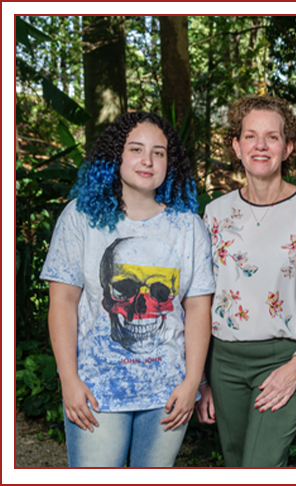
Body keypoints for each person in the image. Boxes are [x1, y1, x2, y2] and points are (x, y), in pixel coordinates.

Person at [40, 111, 215, 467]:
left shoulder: (189, 227)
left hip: (167, 391)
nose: (147, 160)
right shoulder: (80, 218)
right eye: (136, 149)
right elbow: (62, 303)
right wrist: (69, 379)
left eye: (159, 152)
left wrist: (192, 381)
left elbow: (197, 308)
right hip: (95, 390)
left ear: (170, 162)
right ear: (116, 156)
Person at [195, 95, 296, 467]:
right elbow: (198, 299)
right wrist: (202, 379)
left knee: (260, 464)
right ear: (236, 146)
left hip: (286, 357)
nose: (260, 145)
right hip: (223, 361)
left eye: (272, 137)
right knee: (237, 461)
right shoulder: (214, 213)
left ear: (288, 147)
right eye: (250, 136)